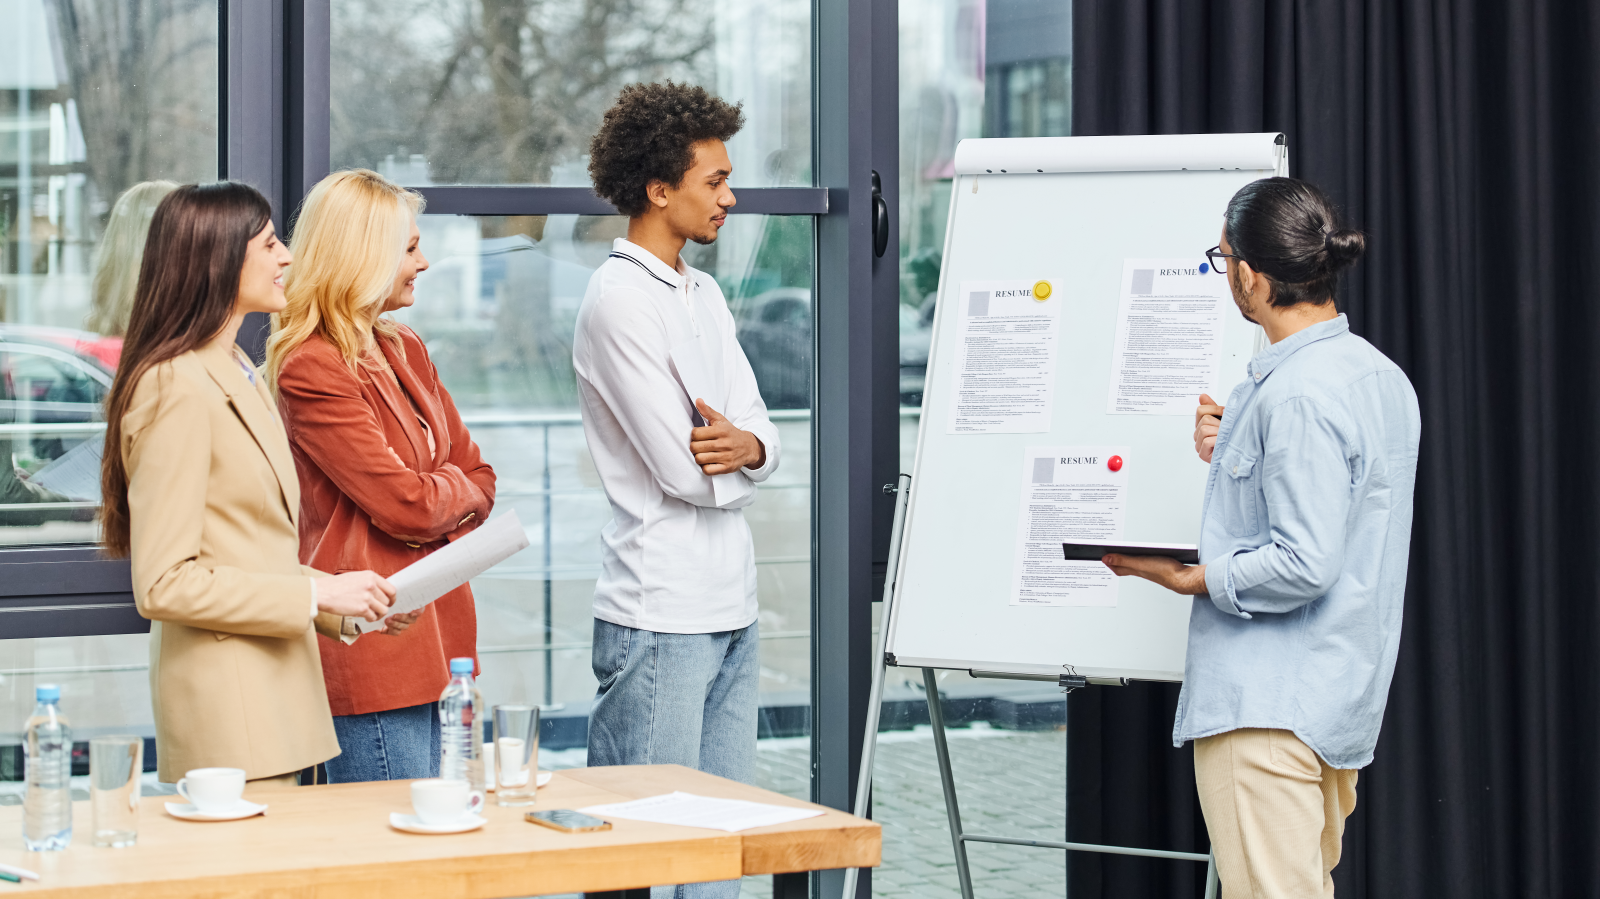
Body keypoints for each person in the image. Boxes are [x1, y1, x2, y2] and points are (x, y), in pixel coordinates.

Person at [1103, 177, 1421, 898]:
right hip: (1334, 700)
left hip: (1268, 712)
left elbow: (1307, 560)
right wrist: (1235, 447)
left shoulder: (1299, 394)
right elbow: (1338, 512)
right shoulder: (1378, 378)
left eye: (1221, 261)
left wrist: (1198, 577)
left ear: (1249, 274)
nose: (1225, 278)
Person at [100, 181, 401, 787]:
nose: (287, 256)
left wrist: (348, 598)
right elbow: (164, 584)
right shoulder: (175, 386)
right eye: (268, 244)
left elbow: (248, 549)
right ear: (218, 259)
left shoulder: (236, 369)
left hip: (278, 702)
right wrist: (317, 598)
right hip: (230, 715)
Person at [574, 82, 779, 897]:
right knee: (637, 856)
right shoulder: (618, 302)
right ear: (660, 191)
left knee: (718, 856)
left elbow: (761, 431)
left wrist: (750, 448)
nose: (730, 198)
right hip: (657, 614)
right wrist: (741, 459)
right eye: (714, 182)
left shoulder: (706, 293)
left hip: (734, 606)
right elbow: (681, 467)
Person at [267, 169, 495, 784]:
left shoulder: (404, 346)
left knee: (443, 840)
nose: (425, 262)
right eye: (411, 248)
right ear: (365, 256)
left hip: (442, 632)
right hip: (372, 644)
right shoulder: (311, 365)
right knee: (396, 860)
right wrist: (451, 491)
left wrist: (446, 489)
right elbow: (406, 507)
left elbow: (483, 476)